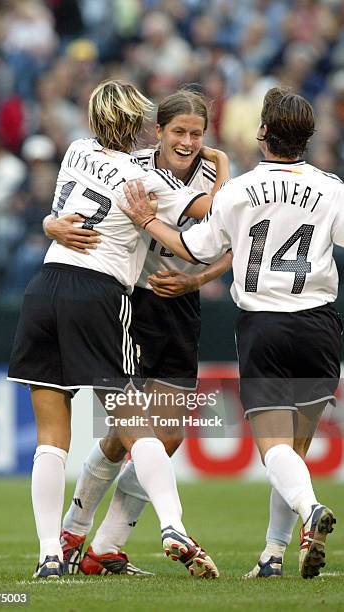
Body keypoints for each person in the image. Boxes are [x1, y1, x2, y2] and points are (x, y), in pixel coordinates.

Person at [120, 87, 340, 580]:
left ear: (262, 132)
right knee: (295, 452)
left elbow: (194, 249)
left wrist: (146, 220)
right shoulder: (331, 187)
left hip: (265, 324)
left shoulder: (238, 190)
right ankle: (273, 555)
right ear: (309, 136)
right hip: (321, 323)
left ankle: (310, 513)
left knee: (275, 449)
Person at [8, 79, 220, 580]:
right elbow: (206, 221)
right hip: (105, 296)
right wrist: (223, 173)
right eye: (176, 131)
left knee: (52, 438)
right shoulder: (143, 179)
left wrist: (48, 223)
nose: (186, 142)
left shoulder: (77, 151)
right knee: (134, 419)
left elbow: (67, 206)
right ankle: (172, 525)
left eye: (195, 133)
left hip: (46, 286)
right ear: (152, 128)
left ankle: (51, 555)